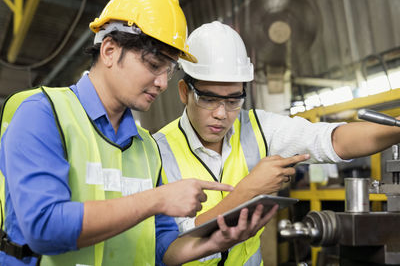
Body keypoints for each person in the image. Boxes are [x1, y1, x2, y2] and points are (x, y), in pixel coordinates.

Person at [0, 1, 279, 266]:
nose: (161, 83)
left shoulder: (145, 146)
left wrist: (216, 243)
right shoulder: (44, 114)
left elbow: (161, 245)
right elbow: (44, 227)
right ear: (109, 50)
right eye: (153, 65)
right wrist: (157, 199)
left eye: (168, 71)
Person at [154, 21, 400, 266]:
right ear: (184, 92)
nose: (221, 113)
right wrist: (247, 191)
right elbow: (167, 248)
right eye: (208, 99)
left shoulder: (258, 127)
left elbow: (334, 139)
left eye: (233, 101)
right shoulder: (156, 151)